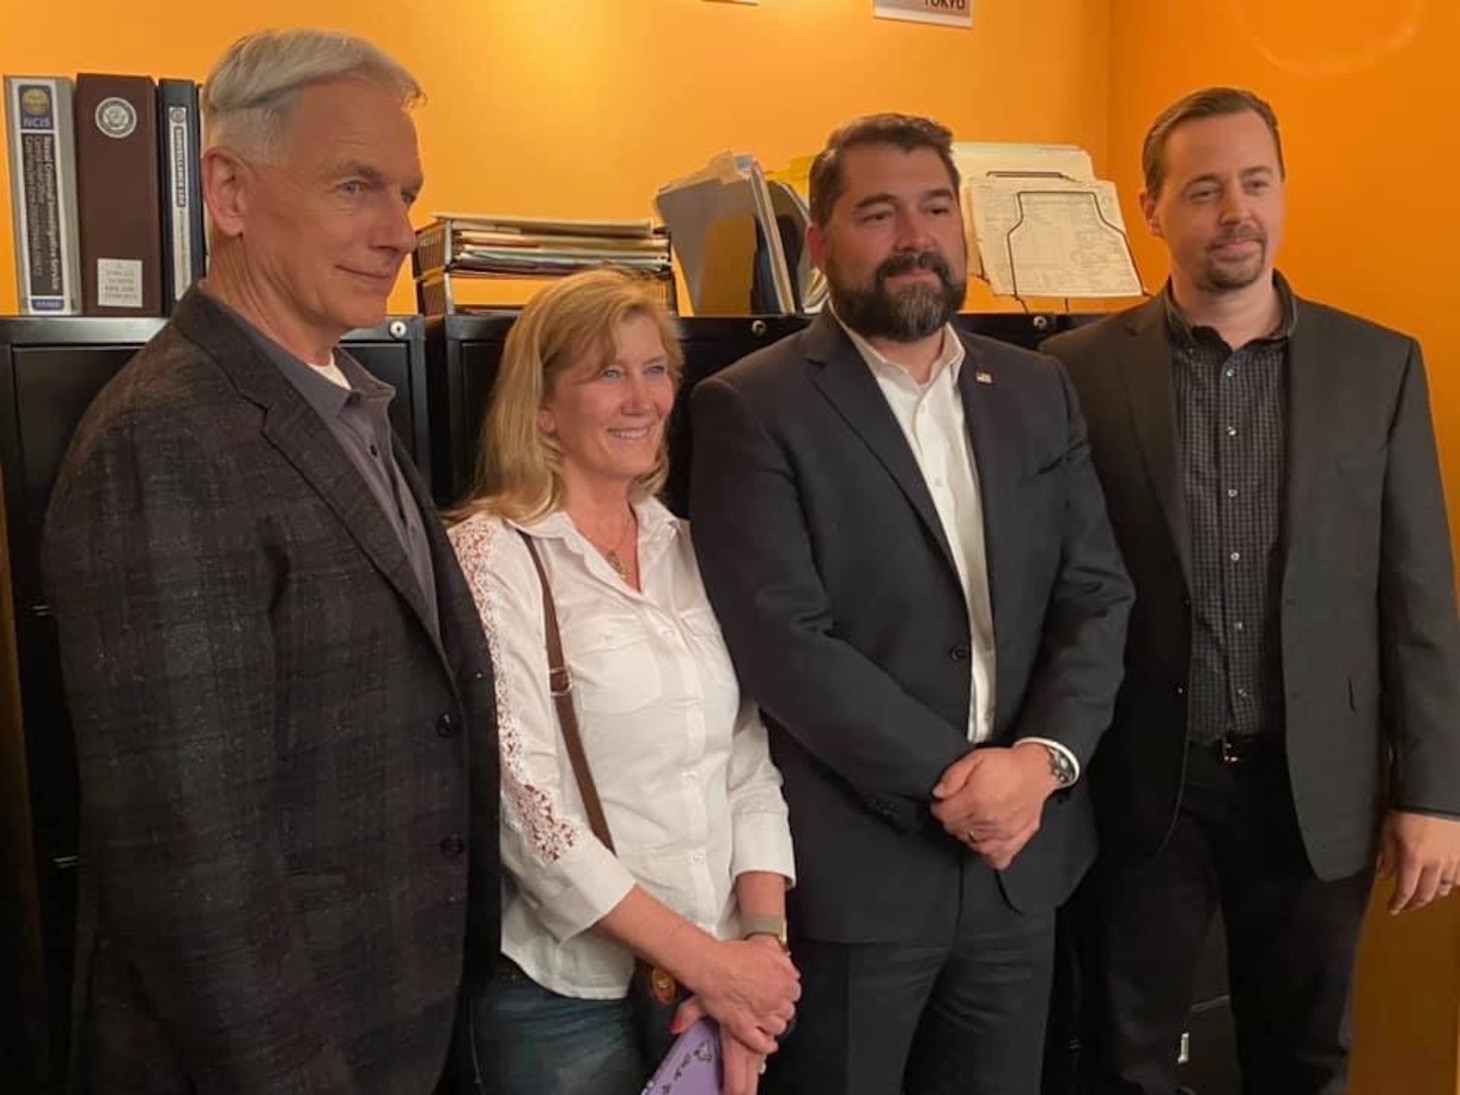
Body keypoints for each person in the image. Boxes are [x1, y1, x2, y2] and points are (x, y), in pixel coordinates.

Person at [42, 29, 499, 1093]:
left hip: (397, 1020)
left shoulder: (346, 401)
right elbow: (194, 869)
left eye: (406, 192)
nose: (397, 231)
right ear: (230, 193)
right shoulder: (167, 441)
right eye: (354, 186)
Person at [688, 113, 1134, 1095]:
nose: (913, 237)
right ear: (819, 244)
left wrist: (1038, 764)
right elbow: (782, 643)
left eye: (934, 208)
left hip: (1024, 866)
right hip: (859, 878)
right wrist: (958, 783)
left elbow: (1094, 594)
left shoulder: (1032, 389)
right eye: (877, 213)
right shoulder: (751, 406)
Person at [1042, 86, 1460, 1094]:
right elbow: (1055, 590)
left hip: (1314, 782)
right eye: (1201, 189)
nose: (1234, 210)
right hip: (1145, 782)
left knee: (1304, 1056)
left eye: (1254, 182)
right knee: (1122, 1054)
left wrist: (1431, 794)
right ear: (1150, 209)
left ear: (1279, 191)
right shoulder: (1072, 373)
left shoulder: (1380, 367)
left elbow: (1417, 596)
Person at [447, 268, 799, 1095]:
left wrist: (760, 949)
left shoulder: (691, 546)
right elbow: (523, 807)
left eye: (655, 369)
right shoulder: (494, 552)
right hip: (565, 1001)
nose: (641, 398)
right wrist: (710, 965)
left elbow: (746, 760)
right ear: (541, 405)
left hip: (716, 987)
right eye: (607, 373)